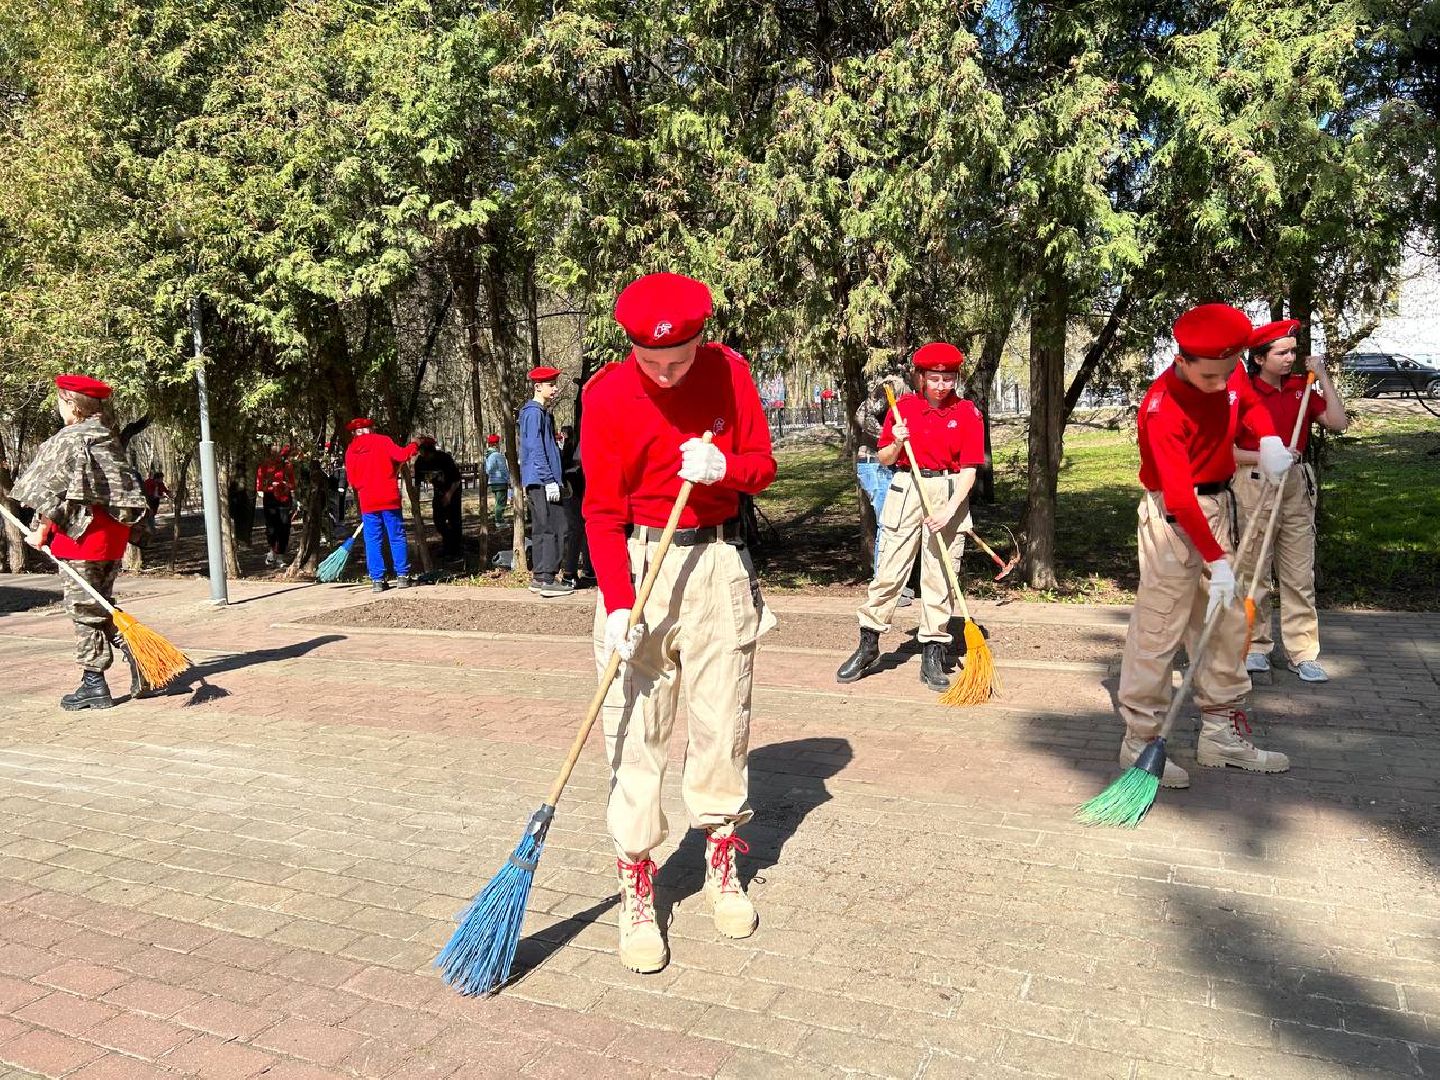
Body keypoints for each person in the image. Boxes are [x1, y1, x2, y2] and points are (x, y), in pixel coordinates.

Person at [581, 271, 777, 974]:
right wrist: (615, 603)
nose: (666, 374)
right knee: (635, 731)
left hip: (718, 563)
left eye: (679, 359)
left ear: (702, 338)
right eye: (651, 362)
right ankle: (639, 880)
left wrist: (724, 467)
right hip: (639, 566)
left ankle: (722, 859)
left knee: (723, 722)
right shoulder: (604, 394)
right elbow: (600, 512)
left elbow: (763, 466)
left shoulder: (730, 372)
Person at [1114, 303, 1296, 790]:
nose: (1220, 385)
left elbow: (1249, 403)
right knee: (1160, 627)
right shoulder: (1162, 407)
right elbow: (1177, 497)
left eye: (1226, 373)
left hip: (1218, 506)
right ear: (1183, 359)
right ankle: (1140, 738)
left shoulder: (1226, 372)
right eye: (1210, 376)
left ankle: (1220, 733)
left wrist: (1270, 441)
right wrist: (1215, 561)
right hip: (1174, 519)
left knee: (1224, 622)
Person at [837, 344, 984, 692]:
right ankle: (868, 643)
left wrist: (950, 510)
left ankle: (933, 650)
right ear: (920, 377)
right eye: (934, 378)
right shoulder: (902, 410)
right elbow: (886, 459)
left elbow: (970, 468)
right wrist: (898, 442)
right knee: (889, 570)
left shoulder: (966, 413)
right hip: (907, 489)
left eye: (948, 378)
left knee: (940, 576)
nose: (942, 385)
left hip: (948, 492)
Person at [12, 374, 150, 708]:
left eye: (61, 402)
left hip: (80, 538)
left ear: (72, 404)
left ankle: (94, 684)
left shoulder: (69, 439)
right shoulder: (107, 438)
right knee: (98, 602)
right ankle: (140, 650)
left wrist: (40, 532)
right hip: (113, 536)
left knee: (82, 609)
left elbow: (53, 493)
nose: (60, 409)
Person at [1234, 320, 1349, 682]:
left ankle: (1303, 653)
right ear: (1259, 358)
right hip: (1255, 483)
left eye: (1293, 353)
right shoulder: (1242, 393)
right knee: (1254, 572)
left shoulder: (1302, 389)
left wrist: (1323, 375)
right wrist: (1265, 456)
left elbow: (1338, 421)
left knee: (1299, 574)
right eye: (1281, 353)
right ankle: (1255, 647)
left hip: (1297, 485)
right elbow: (1225, 451)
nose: (1290, 359)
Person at [343, 418, 419, 592]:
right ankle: (402, 576)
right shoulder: (383, 441)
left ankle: (377, 580)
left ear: (355, 432)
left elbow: (353, 481)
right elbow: (402, 455)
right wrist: (413, 446)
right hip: (388, 497)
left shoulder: (351, 450)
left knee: (372, 539)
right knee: (396, 536)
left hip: (368, 500)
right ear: (371, 428)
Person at [519, 365, 571, 596]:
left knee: (542, 527)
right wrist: (549, 479)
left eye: (555, 383)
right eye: (551, 384)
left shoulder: (539, 413)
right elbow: (535, 447)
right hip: (541, 480)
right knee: (555, 527)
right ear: (537, 387)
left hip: (539, 480)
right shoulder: (533, 413)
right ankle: (549, 579)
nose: (555, 388)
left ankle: (540, 577)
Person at [414, 436, 464, 558]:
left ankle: (456, 550)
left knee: (454, 521)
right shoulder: (420, 463)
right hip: (439, 492)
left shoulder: (444, 458)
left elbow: (456, 480)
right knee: (438, 520)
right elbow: (417, 484)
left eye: (423, 450)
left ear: (429, 450)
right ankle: (447, 544)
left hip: (453, 490)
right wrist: (415, 501)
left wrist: (449, 495)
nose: (421, 453)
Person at [558, 423, 592, 585]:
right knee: (576, 528)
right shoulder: (572, 446)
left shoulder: (575, 444)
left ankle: (588, 569)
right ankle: (569, 572)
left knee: (583, 528)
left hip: (580, 487)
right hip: (573, 488)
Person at [255, 445, 296, 568]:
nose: (276, 456)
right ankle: (272, 550)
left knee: (284, 526)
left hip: (284, 498)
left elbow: (293, 483)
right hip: (270, 497)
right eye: (273, 453)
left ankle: (280, 555)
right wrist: (269, 487)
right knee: (271, 527)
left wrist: (286, 485)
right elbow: (260, 485)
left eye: (278, 454)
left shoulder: (287, 466)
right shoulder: (264, 466)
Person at [483, 434, 509, 527]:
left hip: (493, 481)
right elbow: (503, 469)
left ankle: (499, 519)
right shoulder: (498, 455)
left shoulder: (487, 456)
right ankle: (499, 521)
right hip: (501, 481)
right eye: (498, 443)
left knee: (498, 501)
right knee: (501, 502)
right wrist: (508, 479)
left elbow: (487, 470)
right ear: (495, 444)